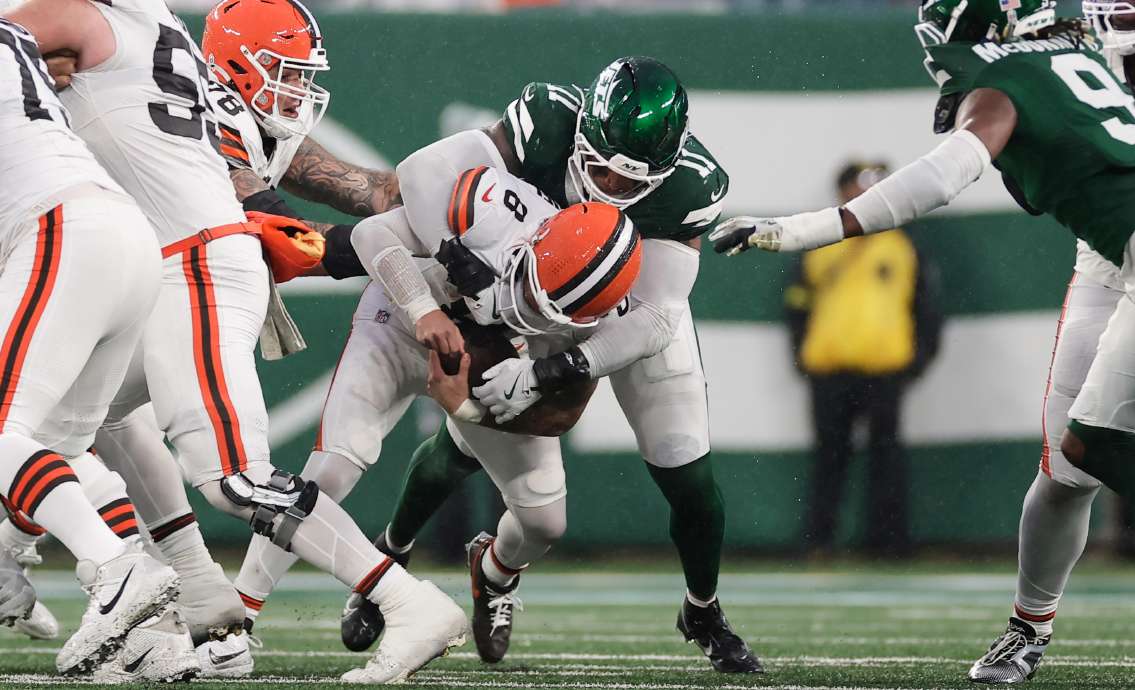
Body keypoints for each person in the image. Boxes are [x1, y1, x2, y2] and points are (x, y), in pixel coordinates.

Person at [710, 0, 1135, 684]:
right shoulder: (1072, 57)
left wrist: (796, 229)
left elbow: (934, 182)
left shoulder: (1013, 75)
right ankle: (1028, 628)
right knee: (1083, 448)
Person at [3, 0, 469, 683]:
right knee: (101, 420)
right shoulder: (162, 35)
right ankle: (189, 611)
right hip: (170, 261)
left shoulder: (92, 24)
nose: (296, 90)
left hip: (190, 262)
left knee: (233, 477)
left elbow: (23, 39)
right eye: (282, 72)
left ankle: (405, 601)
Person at [310, 56, 761, 674]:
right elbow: (423, 175)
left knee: (686, 466)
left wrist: (557, 369)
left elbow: (654, 320)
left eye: (631, 185)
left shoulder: (689, 186)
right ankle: (393, 551)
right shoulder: (547, 120)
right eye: (600, 169)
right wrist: (460, 261)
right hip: (518, 287)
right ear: (583, 139)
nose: (611, 188)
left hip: (621, 314)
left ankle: (701, 608)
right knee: (470, 437)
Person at [0, 15, 184, 678]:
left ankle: (113, 568)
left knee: (3, 431)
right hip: (119, 236)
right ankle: (154, 637)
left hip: (62, 230)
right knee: (54, 451)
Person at [784, 160, 941, 555]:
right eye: (856, 190)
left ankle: (887, 543)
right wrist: (803, 353)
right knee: (829, 456)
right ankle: (820, 540)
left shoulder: (904, 247)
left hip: (884, 369)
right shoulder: (821, 243)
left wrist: (917, 360)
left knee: (886, 455)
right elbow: (797, 303)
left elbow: (926, 309)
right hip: (830, 368)